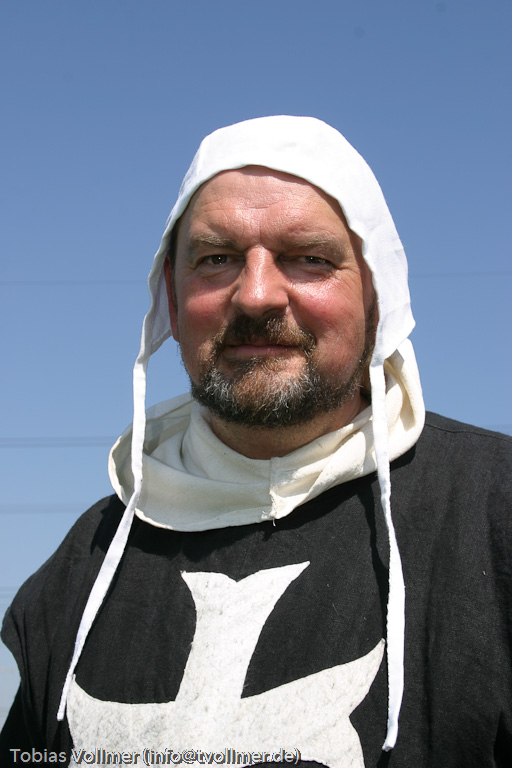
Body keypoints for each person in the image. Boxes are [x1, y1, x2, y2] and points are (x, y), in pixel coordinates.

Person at [1, 116, 511, 768]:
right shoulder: (86, 563)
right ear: (171, 300)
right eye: (216, 259)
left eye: (309, 258)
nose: (257, 295)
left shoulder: (494, 514)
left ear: (380, 297)